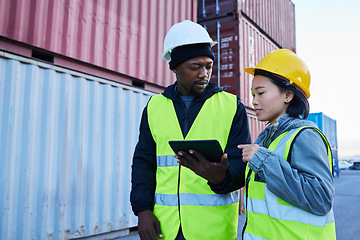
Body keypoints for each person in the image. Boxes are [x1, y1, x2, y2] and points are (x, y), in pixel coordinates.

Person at [130, 20, 251, 240]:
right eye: (195, 67)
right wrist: (142, 210)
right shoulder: (154, 107)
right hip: (165, 228)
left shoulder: (232, 107)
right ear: (174, 67)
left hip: (214, 231)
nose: (204, 73)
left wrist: (221, 177)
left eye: (209, 66)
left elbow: (241, 168)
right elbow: (143, 162)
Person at [238, 49, 336, 239]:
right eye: (252, 94)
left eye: (260, 93)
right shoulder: (268, 138)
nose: (254, 101)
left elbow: (321, 198)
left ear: (288, 95)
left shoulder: (305, 136)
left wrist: (263, 161)